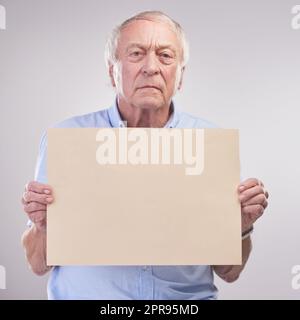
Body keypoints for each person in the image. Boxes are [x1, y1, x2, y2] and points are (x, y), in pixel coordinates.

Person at [21, 11, 269, 300]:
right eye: (136, 53)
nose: (151, 67)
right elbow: (38, 264)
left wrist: (241, 226)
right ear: (111, 70)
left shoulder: (209, 143)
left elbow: (229, 272)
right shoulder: (67, 139)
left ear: (181, 76)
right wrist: (43, 224)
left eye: (165, 56)